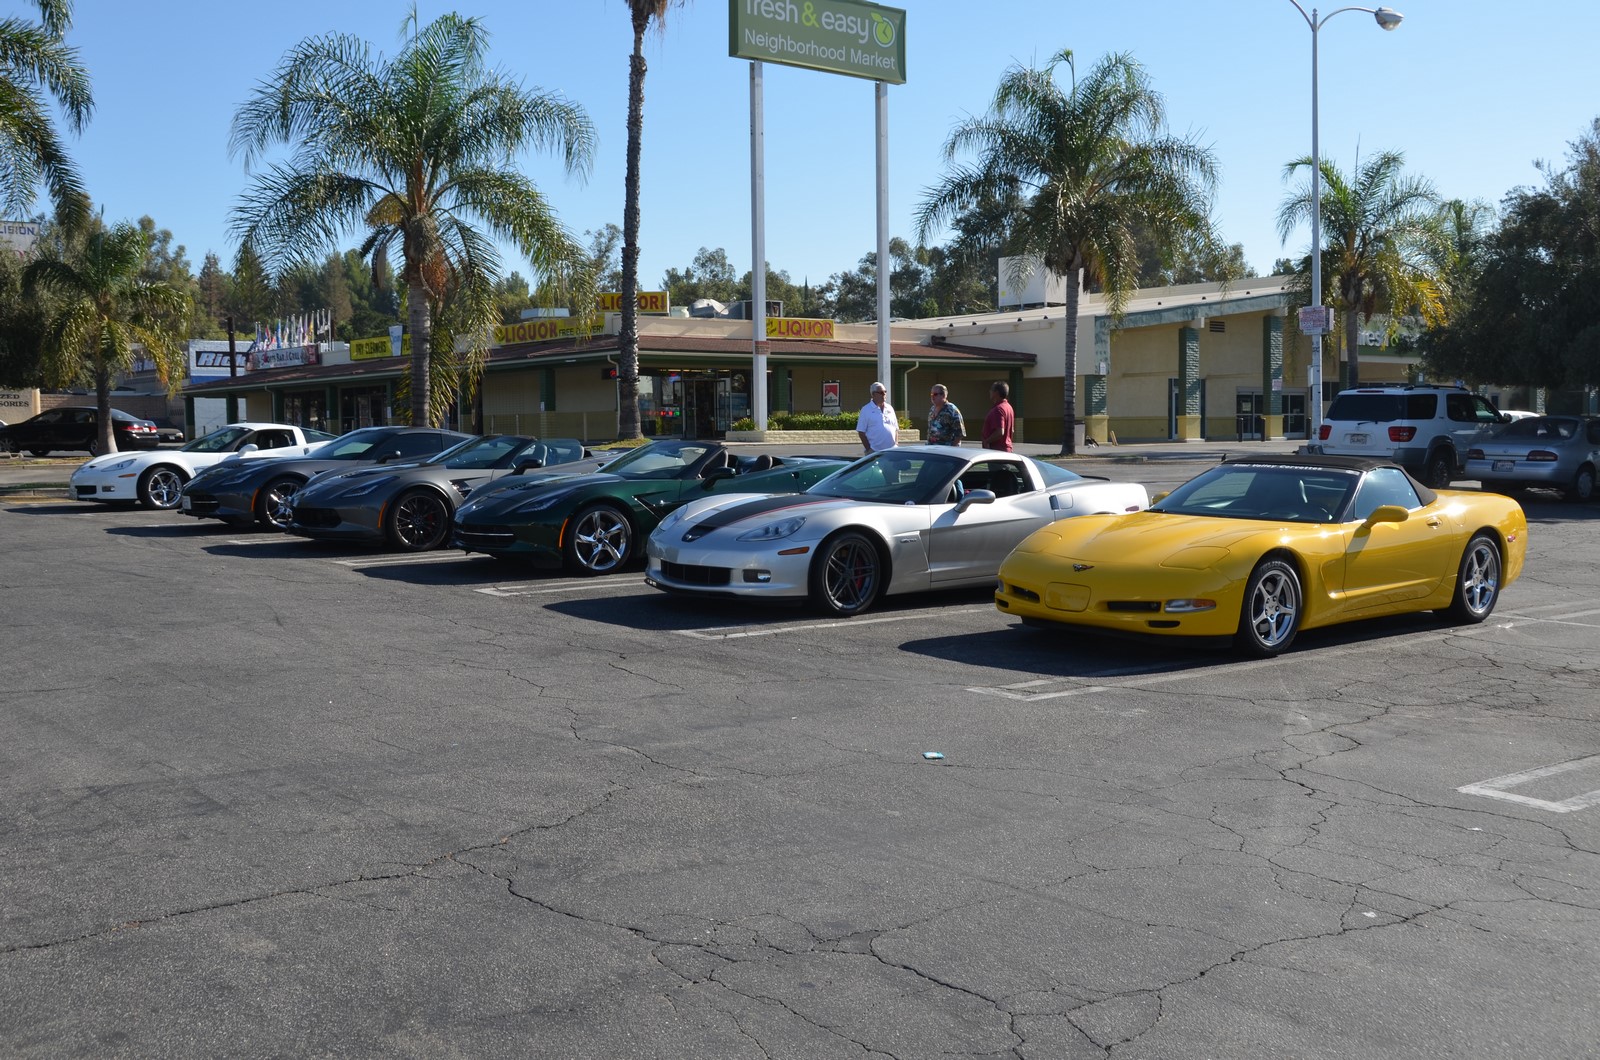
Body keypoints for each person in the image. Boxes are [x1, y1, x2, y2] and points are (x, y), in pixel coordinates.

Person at [855, 381, 898, 453]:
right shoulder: (866, 410)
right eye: (881, 392)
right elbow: (861, 432)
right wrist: (869, 449)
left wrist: (896, 444)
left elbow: (896, 428)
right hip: (875, 452)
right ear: (873, 394)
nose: (884, 394)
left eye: (885, 392)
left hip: (892, 451)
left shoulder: (890, 408)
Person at [981, 381, 1015, 451]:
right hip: (1006, 449)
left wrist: (987, 441)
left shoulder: (999, 409)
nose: (989, 392)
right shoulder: (1008, 407)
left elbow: (1000, 432)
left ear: (996, 392)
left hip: (997, 450)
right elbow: (1012, 430)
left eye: (991, 390)